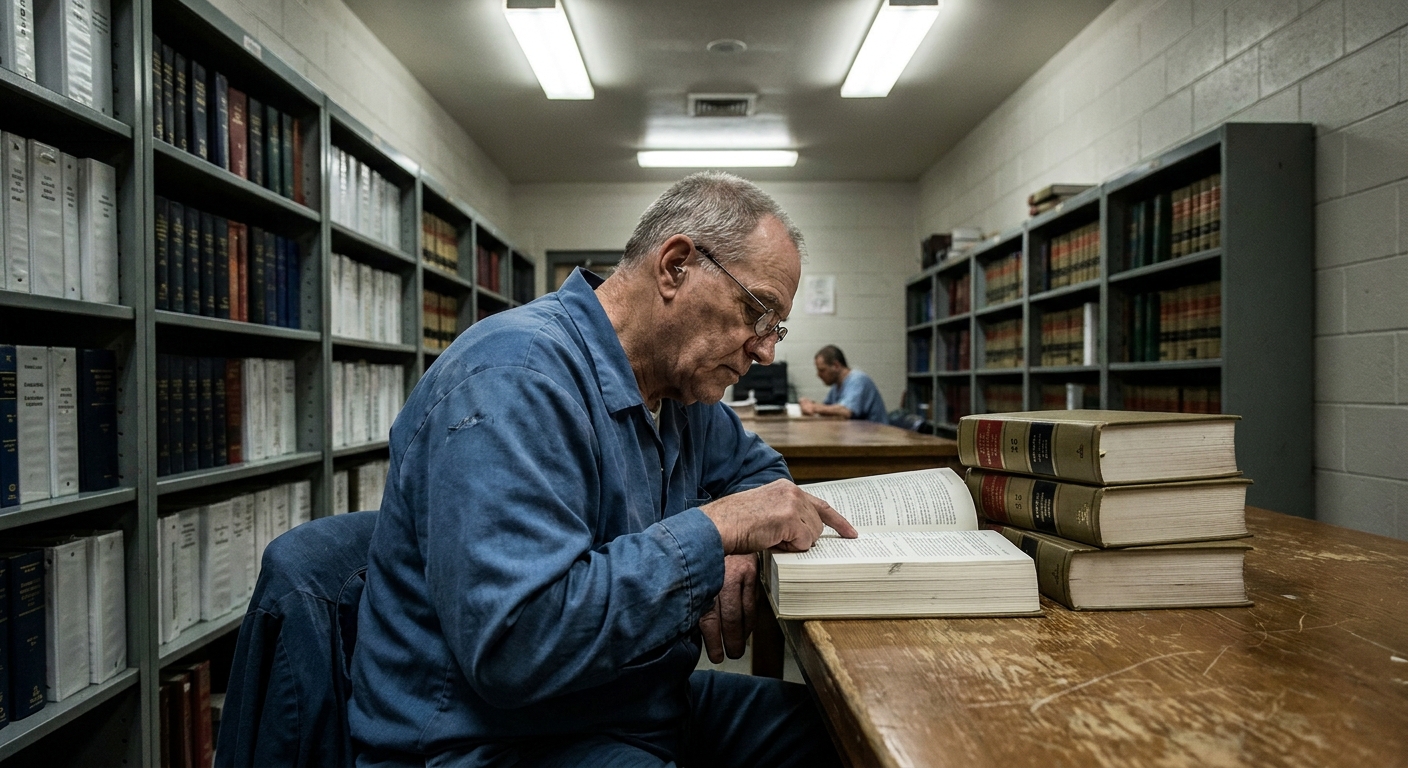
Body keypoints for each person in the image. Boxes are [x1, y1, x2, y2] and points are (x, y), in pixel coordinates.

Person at [349, 172, 858, 767]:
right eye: (758, 312)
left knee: (848, 737)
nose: (766, 349)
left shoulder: (681, 390)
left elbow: (760, 474)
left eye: (776, 326)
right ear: (675, 266)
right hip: (500, 740)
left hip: (631, 705)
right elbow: (518, 646)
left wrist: (744, 546)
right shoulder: (514, 381)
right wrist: (717, 531)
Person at [798, 345, 888, 423]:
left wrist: (813, 407)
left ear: (836, 366)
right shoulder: (836, 386)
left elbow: (845, 411)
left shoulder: (857, 380)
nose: (818, 375)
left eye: (822, 370)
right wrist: (809, 403)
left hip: (876, 438)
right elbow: (828, 408)